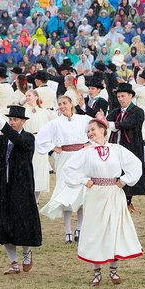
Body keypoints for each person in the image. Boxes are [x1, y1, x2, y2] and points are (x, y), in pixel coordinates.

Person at [64, 119, 143, 286]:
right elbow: (68, 168)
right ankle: (97, 272)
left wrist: (124, 180)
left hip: (114, 193)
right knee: (95, 231)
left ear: (103, 130)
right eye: (88, 131)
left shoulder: (116, 149)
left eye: (93, 129)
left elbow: (135, 164)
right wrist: (84, 180)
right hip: (95, 194)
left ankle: (114, 270)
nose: (90, 133)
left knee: (113, 229)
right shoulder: (86, 152)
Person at [0, 102, 41, 275]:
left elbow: (16, 139)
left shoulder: (28, 138)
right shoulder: (3, 139)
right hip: (2, 186)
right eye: (10, 119)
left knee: (22, 222)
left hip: (21, 186)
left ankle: (26, 253)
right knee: (2, 223)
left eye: (15, 120)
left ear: (23, 121)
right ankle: (13, 263)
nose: (12, 122)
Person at [36, 95, 91, 243]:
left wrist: (89, 143)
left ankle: (80, 228)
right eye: (60, 104)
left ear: (71, 104)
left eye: (65, 103)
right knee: (65, 194)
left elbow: (99, 130)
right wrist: (53, 148)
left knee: (81, 194)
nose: (62, 106)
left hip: (82, 158)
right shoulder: (55, 123)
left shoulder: (83, 119)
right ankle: (68, 232)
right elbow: (40, 139)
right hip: (65, 159)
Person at [104, 82, 145, 213]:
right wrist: (103, 119)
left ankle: (127, 201)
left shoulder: (138, 111)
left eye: (123, 96)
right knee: (116, 171)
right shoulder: (117, 111)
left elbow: (128, 124)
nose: (120, 99)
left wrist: (110, 124)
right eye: (118, 97)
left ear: (130, 96)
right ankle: (117, 199)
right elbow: (107, 120)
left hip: (131, 146)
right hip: (116, 145)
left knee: (129, 171)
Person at [23, 89, 56, 203]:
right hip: (27, 142)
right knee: (28, 168)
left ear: (36, 97)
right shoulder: (24, 111)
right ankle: (28, 196)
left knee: (39, 170)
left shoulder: (44, 112)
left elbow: (55, 122)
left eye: (29, 95)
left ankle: (36, 199)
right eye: (26, 96)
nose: (27, 97)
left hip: (40, 144)